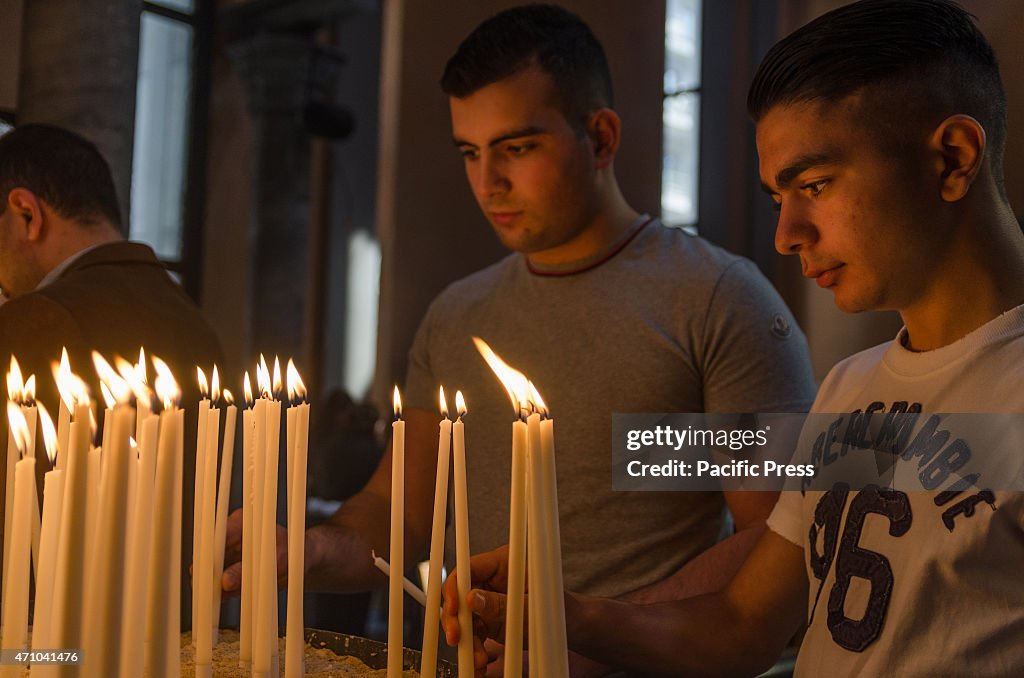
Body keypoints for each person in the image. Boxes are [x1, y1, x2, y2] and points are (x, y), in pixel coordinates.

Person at [441, 0, 1024, 675]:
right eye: (779, 198)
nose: (787, 234)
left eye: (815, 183)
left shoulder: (716, 297)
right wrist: (565, 616)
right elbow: (743, 623)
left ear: (952, 159)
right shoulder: (851, 387)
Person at [224, 3, 815, 665]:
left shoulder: (716, 299)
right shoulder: (459, 314)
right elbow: (401, 514)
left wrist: (592, 635)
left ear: (600, 138)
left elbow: (777, 536)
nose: (487, 182)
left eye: (516, 148)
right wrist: (310, 550)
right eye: (471, 152)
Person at [0, 123, 224, 626]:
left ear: (25, 214)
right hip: (176, 629)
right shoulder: (191, 318)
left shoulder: (32, 323)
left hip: (52, 640)